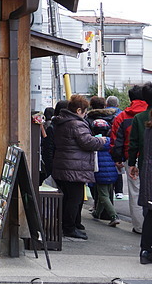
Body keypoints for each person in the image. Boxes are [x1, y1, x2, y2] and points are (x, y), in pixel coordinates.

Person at [51, 94, 105, 240]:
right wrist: (101, 140)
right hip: (74, 167)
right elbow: (87, 142)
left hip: (64, 165)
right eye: (85, 111)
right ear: (79, 110)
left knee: (67, 198)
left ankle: (66, 225)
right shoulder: (76, 123)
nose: (86, 114)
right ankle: (69, 228)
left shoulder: (61, 121)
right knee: (74, 199)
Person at [112, 85, 146, 233]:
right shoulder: (148, 114)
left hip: (131, 158)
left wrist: (118, 158)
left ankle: (139, 227)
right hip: (147, 157)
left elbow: (116, 139)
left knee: (135, 192)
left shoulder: (122, 116)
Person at [128, 82, 152, 264]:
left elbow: (133, 143)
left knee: (149, 211)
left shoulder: (141, 118)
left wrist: (132, 163)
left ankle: (145, 250)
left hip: (146, 167)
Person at [88, 118, 120, 227]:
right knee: (103, 193)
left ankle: (114, 216)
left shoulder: (94, 142)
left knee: (103, 195)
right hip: (111, 172)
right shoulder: (110, 141)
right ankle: (97, 213)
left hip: (99, 172)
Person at [40, 100, 67, 187]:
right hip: (62, 166)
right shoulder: (56, 127)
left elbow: (47, 149)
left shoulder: (52, 126)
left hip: (57, 165)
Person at [105, 95, 124, 199]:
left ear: (106, 104)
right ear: (117, 104)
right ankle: (119, 191)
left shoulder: (101, 114)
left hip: (103, 144)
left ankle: (109, 192)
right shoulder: (121, 115)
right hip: (118, 144)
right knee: (118, 167)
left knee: (105, 168)